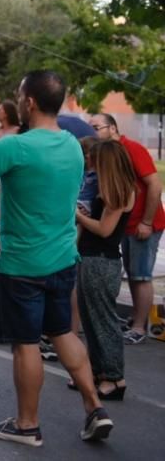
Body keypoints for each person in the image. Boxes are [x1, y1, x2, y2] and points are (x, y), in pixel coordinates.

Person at [0, 70, 112, 447]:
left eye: (19, 94)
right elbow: (32, 179)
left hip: (21, 266)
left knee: (25, 343)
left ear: (30, 103)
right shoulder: (72, 145)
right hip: (62, 261)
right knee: (63, 333)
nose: (17, 98)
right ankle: (95, 408)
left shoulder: (15, 146)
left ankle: (26, 424)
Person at [88, 112, 164, 344]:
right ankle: (135, 318)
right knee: (132, 273)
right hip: (126, 226)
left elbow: (154, 185)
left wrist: (147, 222)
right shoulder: (108, 153)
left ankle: (140, 327)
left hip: (143, 224)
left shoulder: (132, 149)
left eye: (97, 127)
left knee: (140, 275)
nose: (93, 132)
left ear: (112, 128)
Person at [74, 139, 134, 401]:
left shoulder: (121, 191)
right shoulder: (107, 189)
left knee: (103, 321)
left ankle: (114, 377)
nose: (91, 166)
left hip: (102, 260)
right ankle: (98, 371)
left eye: (95, 162)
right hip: (91, 258)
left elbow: (104, 229)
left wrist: (77, 216)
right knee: (90, 320)